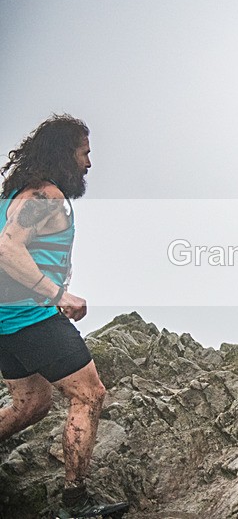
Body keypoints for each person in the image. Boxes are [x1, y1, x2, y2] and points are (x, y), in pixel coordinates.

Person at [0, 115, 129, 517]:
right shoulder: (44, 196)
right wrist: (58, 294)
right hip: (29, 317)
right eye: (84, 153)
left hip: (9, 321)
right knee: (89, 393)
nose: (89, 163)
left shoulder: (27, 192)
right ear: (65, 154)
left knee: (31, 404)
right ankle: (75, 505)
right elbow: (6, 248)